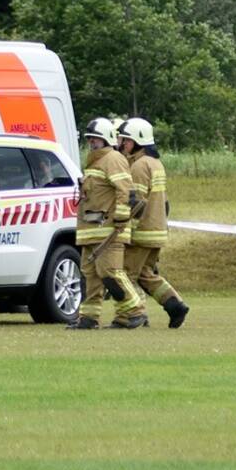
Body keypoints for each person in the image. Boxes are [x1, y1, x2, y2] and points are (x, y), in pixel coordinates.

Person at [67, 117, 142, 329]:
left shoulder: (113, 159)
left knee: (111, 273)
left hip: (108, 230)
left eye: (96, 139)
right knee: (90, 275)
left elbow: (124, 191)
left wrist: (119, 218)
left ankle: (134, 312)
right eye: (90, 139)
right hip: (91, 230)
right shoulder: (94, 162)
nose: (92, 142)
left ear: (107, 139)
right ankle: (89, 318)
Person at [116, 118, 189, 329]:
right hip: (157, 231)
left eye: (127, 141)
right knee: (146, 275)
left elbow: (136, 202)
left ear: (138, 141)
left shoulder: (139, 166)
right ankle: (175, 305)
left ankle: (133, 316)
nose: (123, 144)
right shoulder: (156, 163)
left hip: (142, 232)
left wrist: (121, 222)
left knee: (126, 274)